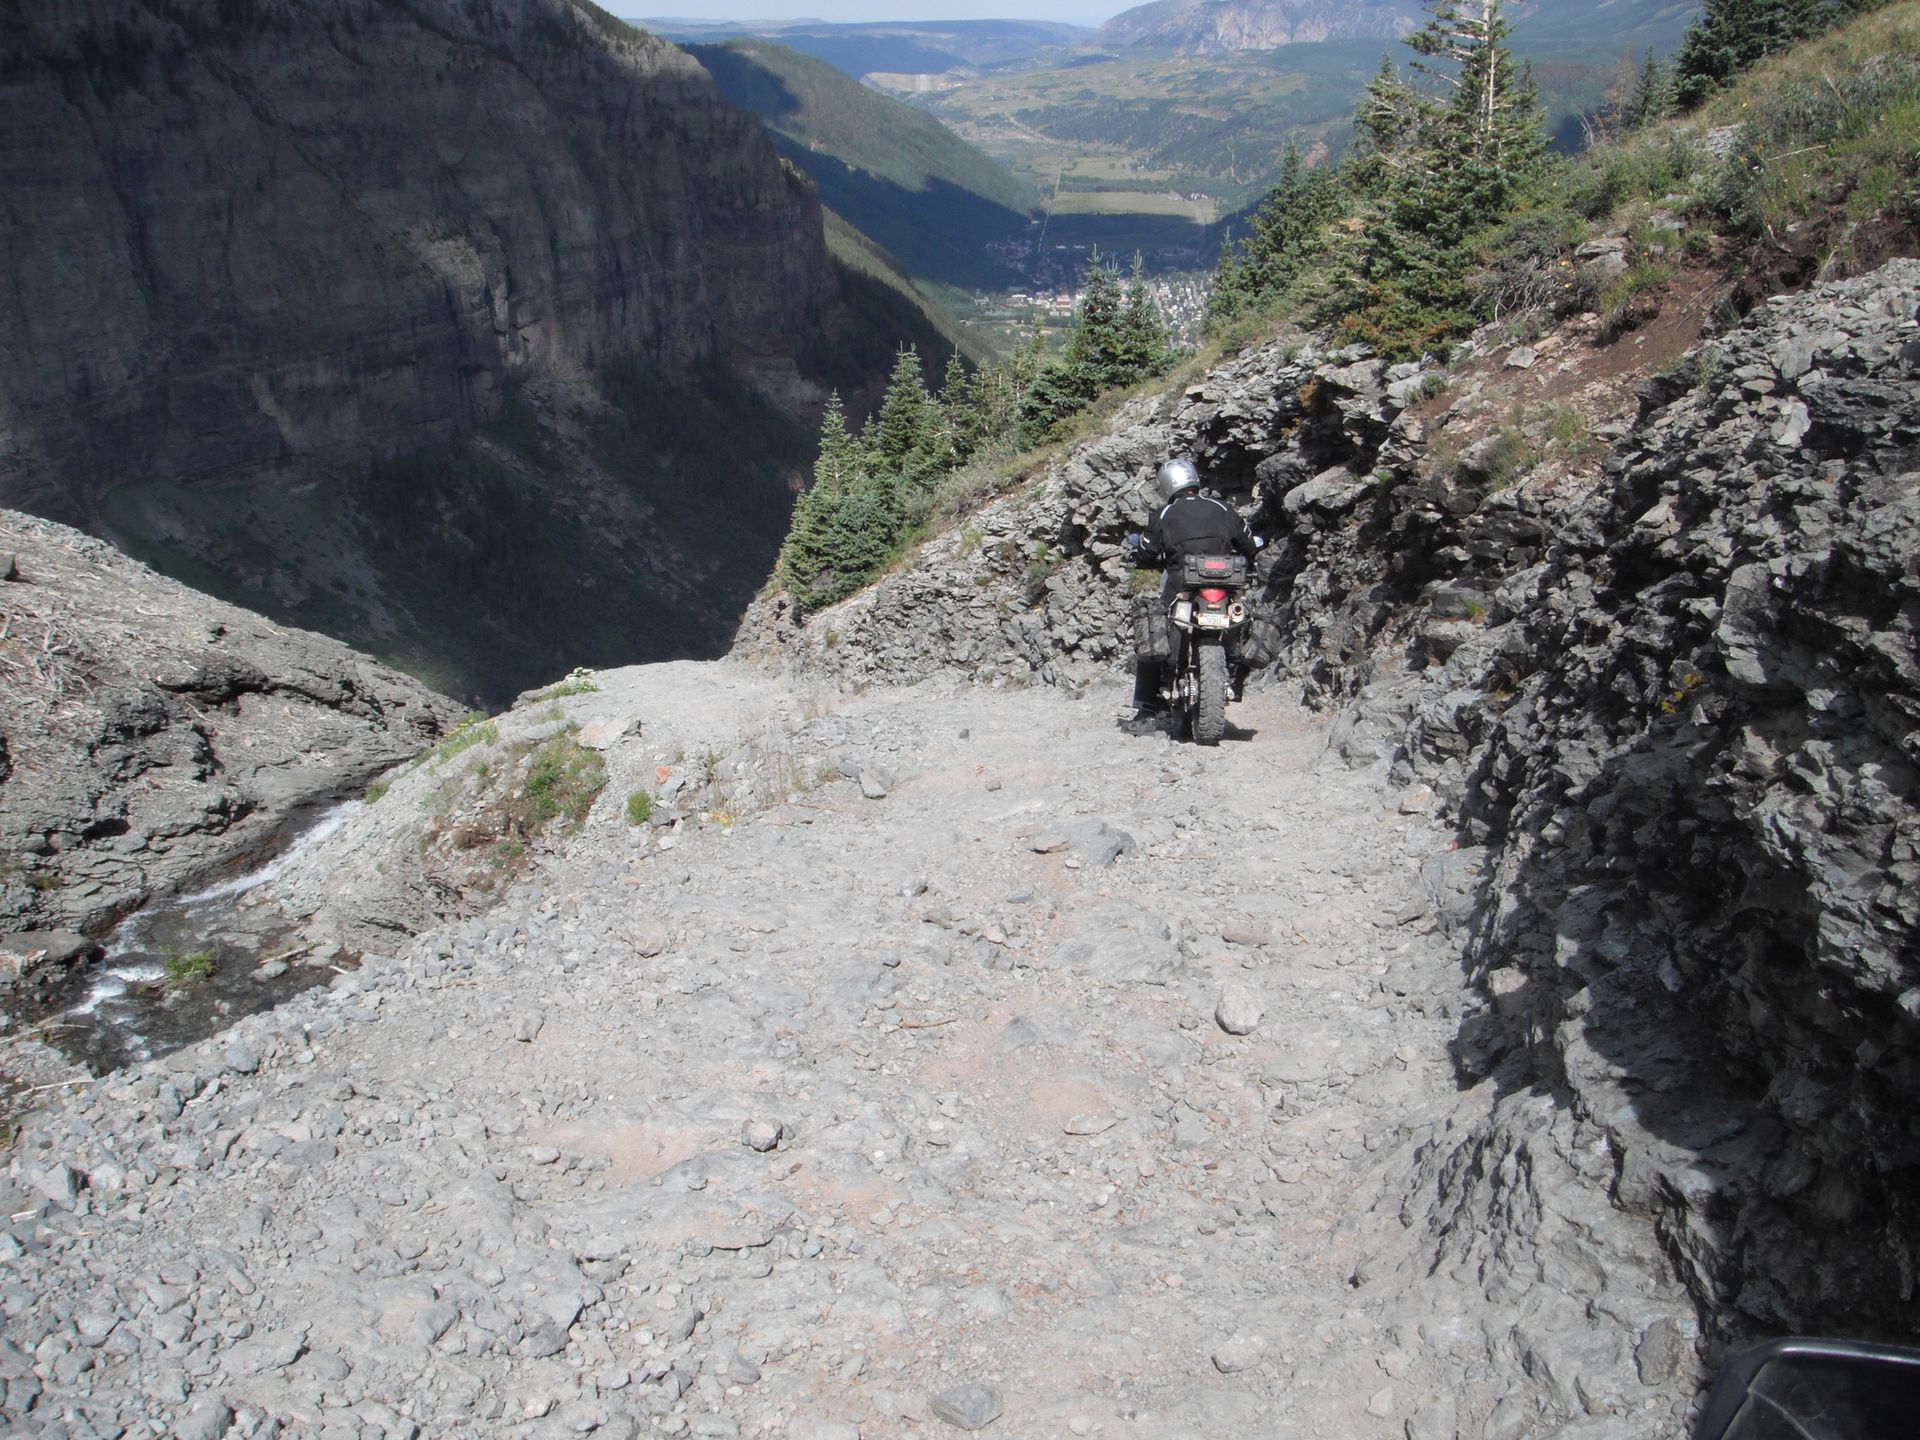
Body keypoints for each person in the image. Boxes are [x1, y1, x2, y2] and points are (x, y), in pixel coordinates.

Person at [1122, 456, 1259, 732]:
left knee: (1153, 630)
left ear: (1167, 485)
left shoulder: (1165, 513)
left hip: (1180, 587)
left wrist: (1142, 553)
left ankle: (1148, 708)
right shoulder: (1223, 507)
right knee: (1244, 624)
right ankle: (1235, 673)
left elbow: (1147, 552)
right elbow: (1249, 543)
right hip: (1226, 587)